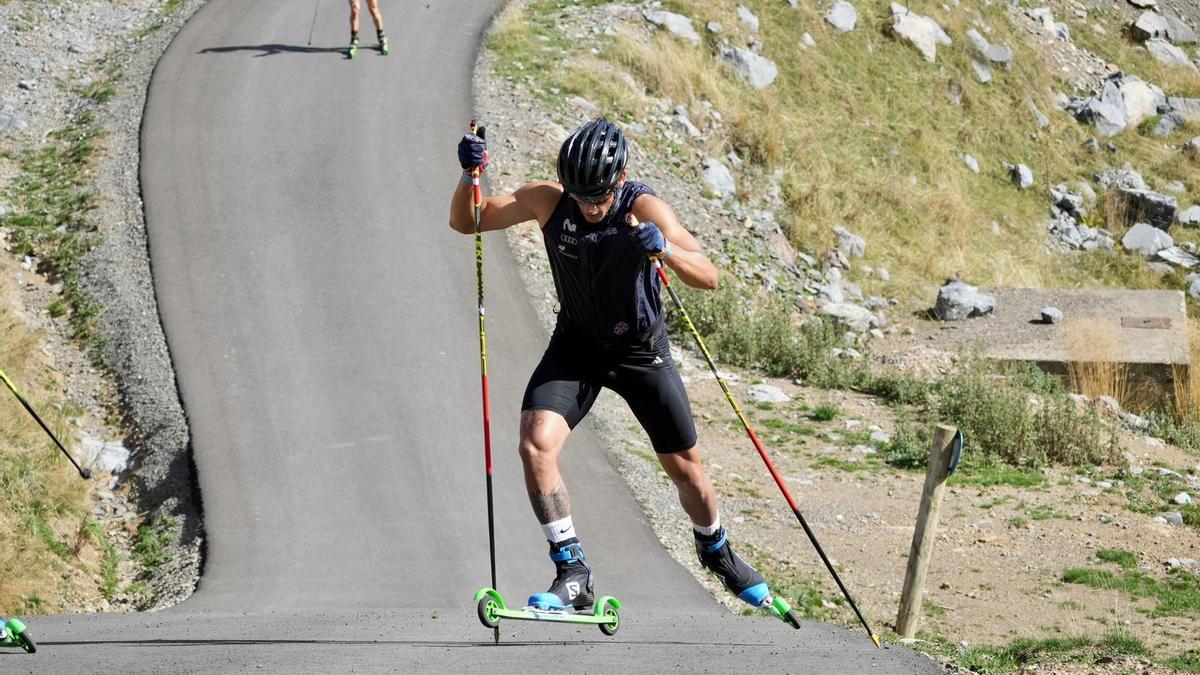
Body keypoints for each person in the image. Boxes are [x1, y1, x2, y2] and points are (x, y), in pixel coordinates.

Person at [448, 118, 783, 613]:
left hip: (640, 352)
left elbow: (708, 276)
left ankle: (715, 548)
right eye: (580, 196)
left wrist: (664, 249)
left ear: (621, 178)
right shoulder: (547, 200)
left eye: (598, 197)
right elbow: (467, 220)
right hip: (577, 347)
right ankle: (572, 570)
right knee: (534, 445)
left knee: (686, 472)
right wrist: (468, 175)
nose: (588, 207)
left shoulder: (643, 208)